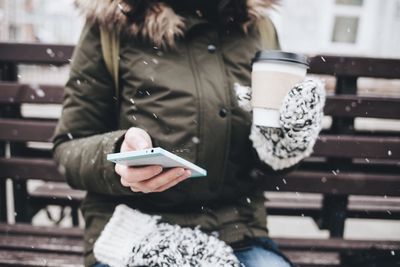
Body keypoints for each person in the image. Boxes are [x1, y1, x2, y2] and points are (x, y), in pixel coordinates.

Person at [53, 0, 324, 266]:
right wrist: (117, 155)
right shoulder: (111, 25)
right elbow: (69, 147)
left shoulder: (257, 26)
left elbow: (267, 159)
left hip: (238, 232)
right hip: (134, 232)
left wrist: (288, 142)